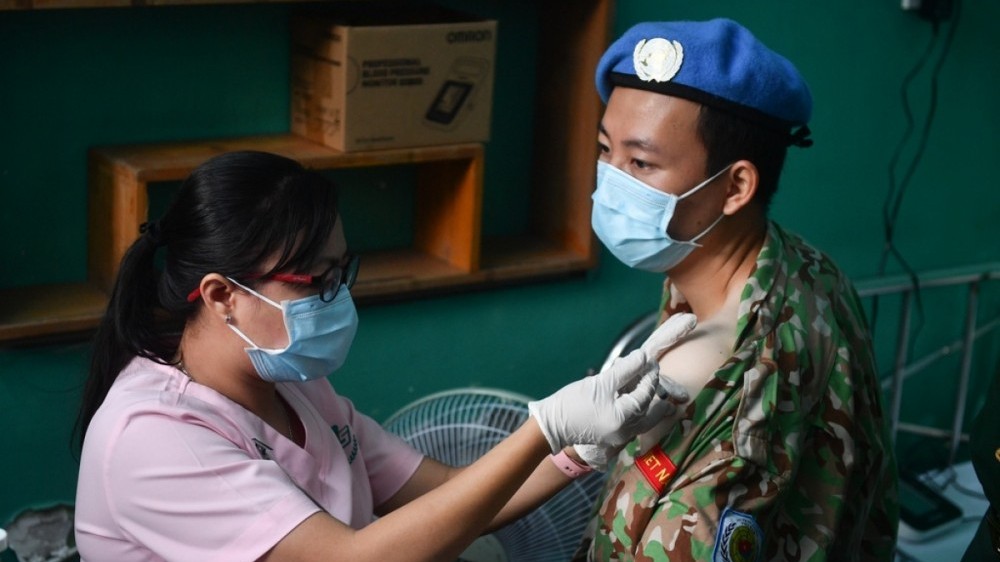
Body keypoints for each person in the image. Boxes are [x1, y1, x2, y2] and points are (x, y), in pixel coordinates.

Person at [73, 150, 699, 561]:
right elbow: (353, 559)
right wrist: (544, 426)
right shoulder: (154, 437)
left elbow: (454, 496)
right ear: (221, 296)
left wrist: (578, 450)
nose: (337, 297)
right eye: (314, 280)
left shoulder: (292, 384)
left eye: (341, 271)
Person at [571, 18, 899, 561]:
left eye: (641, 163)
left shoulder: (743, 387)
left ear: (735, 186)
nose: (611, 181)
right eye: (606, 150)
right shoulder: (795, 264)